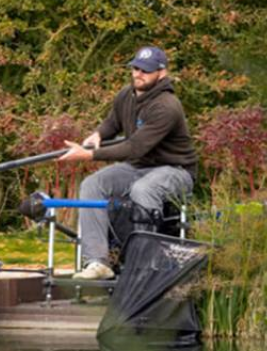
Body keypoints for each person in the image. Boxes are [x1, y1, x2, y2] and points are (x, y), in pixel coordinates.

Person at [58, 46, 197, 280]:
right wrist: (99, 135)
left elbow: (134, 147)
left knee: (143, 190)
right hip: (139, 167)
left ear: (161, 73)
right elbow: (113, 122)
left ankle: (142, 265)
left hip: (176, 170)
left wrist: (89, 155)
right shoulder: (126, 94)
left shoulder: (166, 106)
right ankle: (97, 262)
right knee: (92, 185)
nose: (138, 74)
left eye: (146, 70)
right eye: (135, 68)